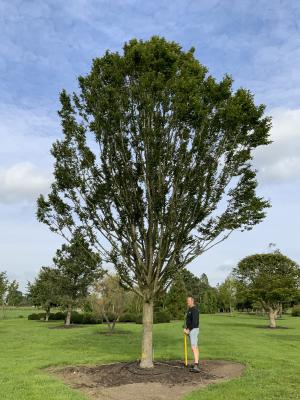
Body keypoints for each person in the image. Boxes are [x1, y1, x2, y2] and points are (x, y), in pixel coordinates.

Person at [183, 296, 200, 372]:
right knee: (195, 347)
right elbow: (188, 320)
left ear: (192, 301)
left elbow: (195, 322)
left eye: (189, 301)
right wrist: (185, 327)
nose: (187, 302)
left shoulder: (194, 310)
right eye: (187, 301)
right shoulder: (189, 310)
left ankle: (196, 366)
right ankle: (196, 363)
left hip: (193, 330)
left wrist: (188, 330)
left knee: (194, 347)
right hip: (190, 329)